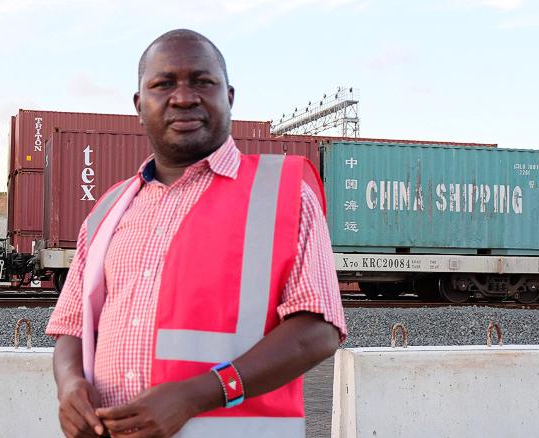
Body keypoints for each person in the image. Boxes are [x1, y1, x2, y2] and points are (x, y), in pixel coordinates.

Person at [45, 29, 347, 438]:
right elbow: (72, 326)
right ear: (139, 104)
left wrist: (195, 395)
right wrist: (69, 386)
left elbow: (319, 329)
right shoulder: (108, 211)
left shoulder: (284, 194)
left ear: (230, 97)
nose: (183, 97)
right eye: (163, 84)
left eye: (202, 82)